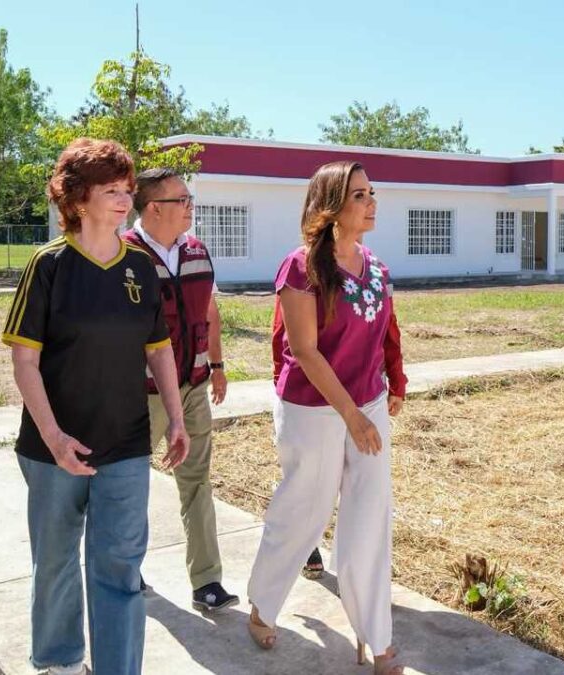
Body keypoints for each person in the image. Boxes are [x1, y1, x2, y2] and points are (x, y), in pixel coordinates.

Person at [3, 138, 189, 675]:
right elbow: (24, 363)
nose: (124, 200)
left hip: (126, 443)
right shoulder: (48, 266)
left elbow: (158, 350)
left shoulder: (140, 267)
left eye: (128, 190)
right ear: (77, 198)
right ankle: (60, 662)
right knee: (57, 563)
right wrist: (55, 438)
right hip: (51, 447)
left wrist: (176, 417)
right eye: (110, 190)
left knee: (119, 565)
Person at [247, 161, 405, 675]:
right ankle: (262, 606)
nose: (371, 201)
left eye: (371, 192)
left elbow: (384, 334)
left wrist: (390, 385)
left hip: (368, 404)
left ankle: (378, 640)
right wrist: (351, 417)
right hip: (313, 408)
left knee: (369, 521)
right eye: (360, 195)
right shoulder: (300, 268)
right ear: (332, 207)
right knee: (304, 512)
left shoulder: (376, 267)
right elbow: (306, 351)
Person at [123, 167, 239, 612]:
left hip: (194, 385)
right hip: (142, 392)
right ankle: (125, 570)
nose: (191, 206)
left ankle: (207, 581)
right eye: (183, 200)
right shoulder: (123, 257)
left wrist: (218, 364)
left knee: (197, 482)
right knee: (130, 484)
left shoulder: (196, 252)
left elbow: (209, 311)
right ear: (154, 208)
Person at [269, 284, 407, 580]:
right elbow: (283, 335)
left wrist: (397, 379)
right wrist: (283, 388)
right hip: (313, 402)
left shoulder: (372, 272)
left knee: (361, 489)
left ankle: (356, 576)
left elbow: (388, 327)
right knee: (311, 487)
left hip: (363, 399)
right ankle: (308, 546)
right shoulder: (303, 273)